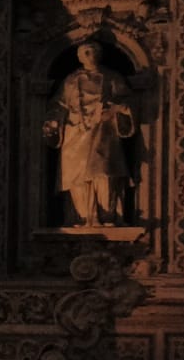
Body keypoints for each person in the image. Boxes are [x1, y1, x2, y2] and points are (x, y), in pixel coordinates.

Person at [45, 41, 135, 226]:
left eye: (93, 51)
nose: (89, 55)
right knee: (77, 177)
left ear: (100, 55)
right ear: (79, 57)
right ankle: (82, 216)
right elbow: (59, 105)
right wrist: (54, 120)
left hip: (104, 131)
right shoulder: (70, 80)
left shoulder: (112, 78)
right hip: (75, 133)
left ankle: (107, 216)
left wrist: (117, 109)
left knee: (104, 173)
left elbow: (128, 101)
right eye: (85, 52)